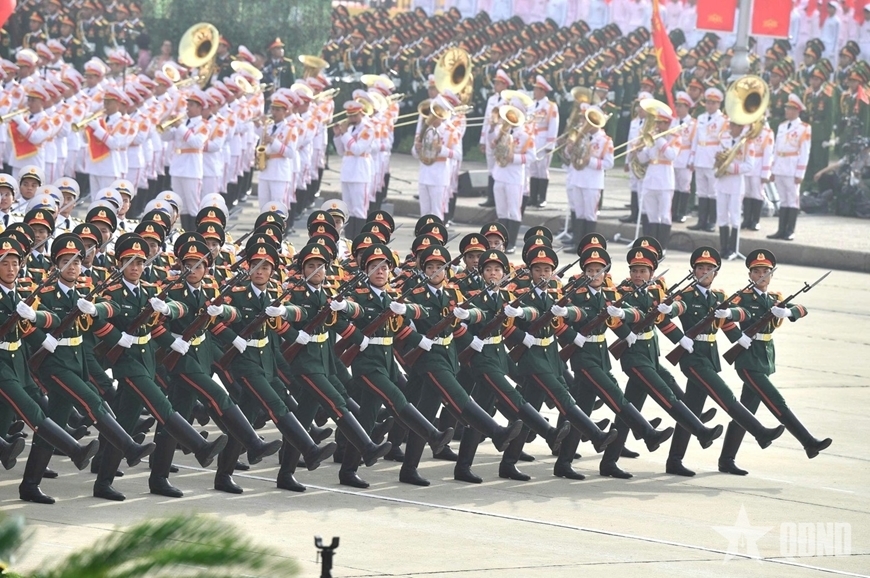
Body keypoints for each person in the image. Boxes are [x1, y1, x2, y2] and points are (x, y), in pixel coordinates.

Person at [91, 233, 228, 501]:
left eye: (139, 262)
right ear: (119, 264)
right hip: (127, 364)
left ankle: (108, 482)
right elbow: (100, 314)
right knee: (162, 406)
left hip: (147, 361)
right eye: (129, 262)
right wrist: (116, 336)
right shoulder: (114, 291)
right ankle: (199, 446)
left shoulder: (149, 291)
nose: (135, 267)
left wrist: (169, 330)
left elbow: (168, 315)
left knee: (125, 423)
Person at [150, 240, 283, 497]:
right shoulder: (172, 289)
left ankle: (159, 478)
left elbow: (233, 315)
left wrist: (223, 312)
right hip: (181, 358)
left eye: (198, 265)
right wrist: (170, 341)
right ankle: (253, 443)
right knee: (218, 395)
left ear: (207, 268)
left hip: (201, 355)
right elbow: (157, 321)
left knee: (176, 417)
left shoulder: (210, 288)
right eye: (188, 265)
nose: (193, 270)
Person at [392, 244, 523, 486]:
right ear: (423, 270)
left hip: (448, 355)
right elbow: (405, 318)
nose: (435, 271)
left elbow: (470, 317)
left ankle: (409, 469)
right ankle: (496, 432)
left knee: (425, 413)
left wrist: (470, 334)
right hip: (428, 358)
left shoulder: (453, 294)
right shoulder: (415, 294)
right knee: (460, 397)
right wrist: (416, 338)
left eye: (439, 267)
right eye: (430, 267)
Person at [498, 245, 617, 481]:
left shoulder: (555, 293)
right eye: (538, 270)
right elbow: (508, 323)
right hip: (531, 358)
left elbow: (573, 316)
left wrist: (570, 324)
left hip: (550, 356)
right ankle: (595, 435)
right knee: (564, 398)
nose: (542, 274)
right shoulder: (521, 294)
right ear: (530, 272)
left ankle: (509, 463)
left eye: (547, 270)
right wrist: (522, 335)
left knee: (528, 413)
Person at [716, 249, 832, 475]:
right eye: (757, 272)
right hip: (748, 360)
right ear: (750, 274)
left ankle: (726, 460)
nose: (761, 276)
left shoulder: (775, 299)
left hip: (765, 359)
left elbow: (803, 309)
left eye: (766, 272)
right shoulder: (743, 297)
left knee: (746, 411)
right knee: (776, 401)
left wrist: (787, 312)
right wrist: (737, 337)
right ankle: (808, 442)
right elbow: (730, 314)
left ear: (771, 275)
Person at [564, 104, 614, 250]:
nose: (586, 124)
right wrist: (569, 148)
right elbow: (569, 156)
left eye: (590, 120)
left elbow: (609, 163)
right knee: (579, 213)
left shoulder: (605, 140)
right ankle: (577, 243)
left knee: (590, 215)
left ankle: (588, 246)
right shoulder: (580, 136)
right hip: (578, 178)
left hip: (593, 182)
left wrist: (590, 161)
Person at [160, 90, 211, 231]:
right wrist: (166, 124)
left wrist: (179, 126)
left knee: (193, 206)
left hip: (191, 169)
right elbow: (165, 137)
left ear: (200, 108)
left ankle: (194, 234)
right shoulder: (183, 123)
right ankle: (185, 233)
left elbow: (196, 143)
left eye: (192, 105)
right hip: (177, 167)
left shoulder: (204, 125)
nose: (188, 108)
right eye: (188, 104)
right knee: (181, 205)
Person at [767, 95, 811, 241]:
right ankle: (781, 229)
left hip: (792, 167)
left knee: (792, 199)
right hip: (780, 166)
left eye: (790, 108)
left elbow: (804, 152)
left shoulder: (804, 128)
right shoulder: (782, 126)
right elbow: (776, 149)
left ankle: (790, 230)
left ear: (797, 111)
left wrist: (800, 173)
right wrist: (772, 169)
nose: (787, 111)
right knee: (783, 200)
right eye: (787, 108)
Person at [636, 107, 679, 253]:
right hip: (651, 179)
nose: (658, 126)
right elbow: (644, 158)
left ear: (667, 124)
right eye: (657, 123)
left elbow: (671, 155)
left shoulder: (675, 138)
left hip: (665, 181)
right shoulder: (653, 139)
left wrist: (659, 140)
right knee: (651, 215)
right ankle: (651, 246)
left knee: (664, 215)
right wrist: (639, 149)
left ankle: (662, 246)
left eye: (661, 123)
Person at [333, 101, 373, 240]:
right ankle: (348, 239)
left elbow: (357, 149)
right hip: (347, 172)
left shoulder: (368, 129)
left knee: (359, 210)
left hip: (360, 173)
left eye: (354, 116)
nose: (351, 119)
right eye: (350, 116)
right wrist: (337, 136)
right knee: (348, 209)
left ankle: (359, 240)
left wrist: (344, 134)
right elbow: (341, 151)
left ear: (361, 113)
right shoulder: (349, 129)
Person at [714, 120, 754, 260]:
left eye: (738, 126)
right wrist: (718, 160)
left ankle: (733, 249)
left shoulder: (747, 143)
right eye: (733, 125)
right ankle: (723, 248)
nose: (734, 128)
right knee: (722, 215)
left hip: (736, 182)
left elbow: (749, 165)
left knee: (735, 215)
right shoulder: (723, 139)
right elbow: (716, 156)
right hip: (722, 181)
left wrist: (731, 168)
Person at [689, 88, 726, 233]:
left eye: (713, 103)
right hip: (700, 156)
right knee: (701, 191)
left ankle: (711, 221)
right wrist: (692, 158)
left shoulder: (723, 120)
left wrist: (720, 160)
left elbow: (723, 141)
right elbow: (695, 140)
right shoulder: (701, 118)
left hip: (712, 158)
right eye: (708, 102)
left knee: (713, 192)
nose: (710, 105)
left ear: (719, 104)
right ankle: (701, 220)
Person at [527, 75, 559, 209]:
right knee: (533, 169)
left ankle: (542, 197)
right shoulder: (531, 105)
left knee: (542, 169)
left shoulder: (550, 106)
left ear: (542, 91)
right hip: (532, 138)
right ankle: (533, 197)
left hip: (543, 138)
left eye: (536, 89)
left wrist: (550, 144)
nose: (534, 92)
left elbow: (553, 125)